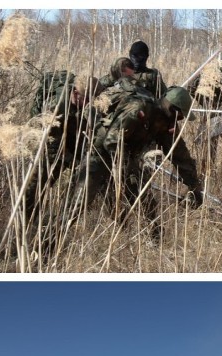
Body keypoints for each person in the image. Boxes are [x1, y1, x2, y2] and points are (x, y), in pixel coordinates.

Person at [71, 84, 203, 240]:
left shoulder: (164, 124)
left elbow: (181, 157)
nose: (180, 120)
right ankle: (46, 241)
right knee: (77, 205)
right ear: (172, 109)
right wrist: (127, 169)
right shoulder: (138, 108)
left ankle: (155, 242)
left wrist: (194, 186)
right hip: (100, 155)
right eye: (180, 115)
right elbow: (111, 142)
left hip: (125, 159)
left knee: (147, 202)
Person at [26, 72, 103, 224]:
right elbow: (53, 144)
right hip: (49, 142)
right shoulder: (56, 107)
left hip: (69, 135)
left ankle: (61, 218)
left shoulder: (82, 102)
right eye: (87, 99)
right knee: (36, 186)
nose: (89, 103)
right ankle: (27, 220)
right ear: (75, 93)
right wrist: (71, 161)